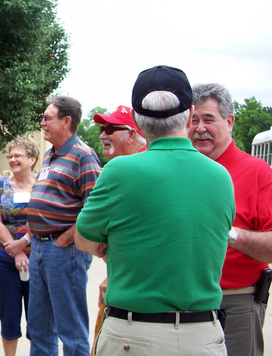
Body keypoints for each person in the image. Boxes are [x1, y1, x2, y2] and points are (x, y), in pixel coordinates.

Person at [75, 65, 234, 356]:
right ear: (190, 113)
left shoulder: (119, 171)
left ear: (135, 118)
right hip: (202, 334)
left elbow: (83, 239)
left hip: (133, 334)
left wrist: (114, 248)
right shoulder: (221, 176)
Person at [190, 83, 272, 356]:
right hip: (178, 305)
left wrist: (227, 233)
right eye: (193, 120)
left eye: (208, 119)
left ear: (230, 121)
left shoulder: (257, 172)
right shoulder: (179, 170)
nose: (199, 128)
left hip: (235, 305)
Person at [26, 95, 102, 356]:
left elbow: (94, 209)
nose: (42, 121)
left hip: (63, 253)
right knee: (39, 328)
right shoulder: (50, 155)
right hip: (39, 249)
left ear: (66, 121)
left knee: (71, 331)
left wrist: (67, 238)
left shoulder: (84, 156)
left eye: (48, 117)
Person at [90, 105, 147, 355]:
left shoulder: (138, 170)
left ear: (133, 135)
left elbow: (87, 233)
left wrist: (112, 277)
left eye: (111, 129)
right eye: (103, 128)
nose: (103, 134)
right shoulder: (120, 168)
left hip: (133, 299)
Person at [0, 136, 39, 356]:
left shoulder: (43, 185)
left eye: (18, 155)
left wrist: (24, 242)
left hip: (37, 261)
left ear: (32, 159)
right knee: (9, 316)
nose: (13, 159)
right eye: (11, 156)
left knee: (37, 318)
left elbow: (46, 218)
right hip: (3, 261)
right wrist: (14, 250)